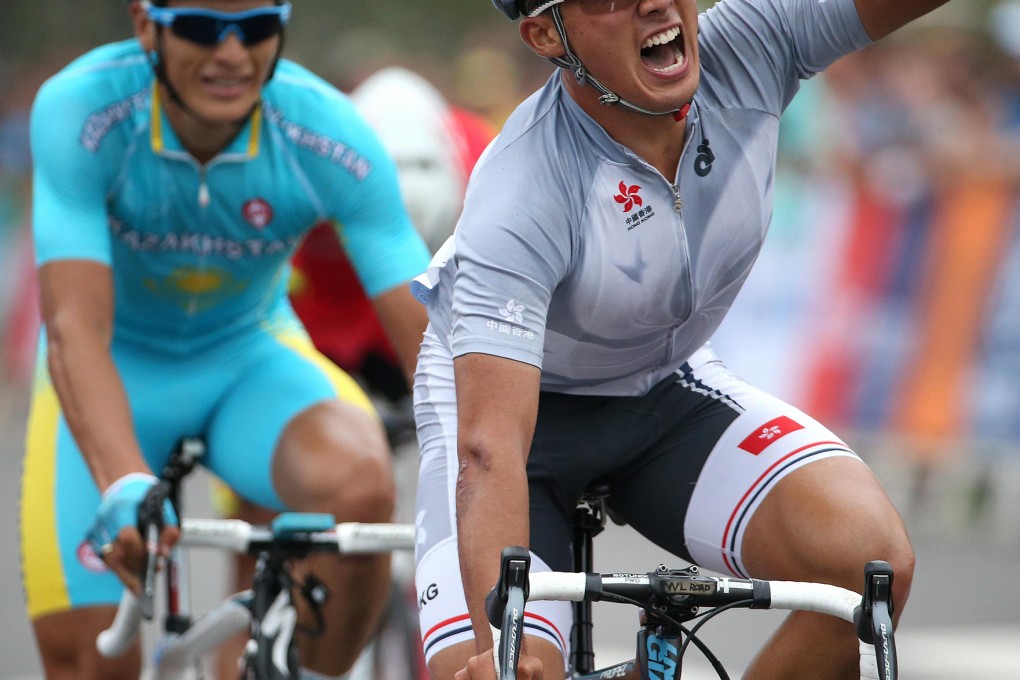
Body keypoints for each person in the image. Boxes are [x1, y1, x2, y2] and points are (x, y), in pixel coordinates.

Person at [411, 1, 953, 678]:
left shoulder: (752, 46)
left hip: (662, 385)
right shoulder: (522, 187)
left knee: (868, 565)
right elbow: (489, 449)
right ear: (547, 34)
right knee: (509, 669)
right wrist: (503, 648)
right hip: (512, 420)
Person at [20, 1, 431, 678]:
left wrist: (489, 465)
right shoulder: (84, 110)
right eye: (202, 27)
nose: (233, 53)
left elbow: (429, 339)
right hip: (115, 364)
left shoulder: (326, 131)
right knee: (91, 662)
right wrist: (122, 479)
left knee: (359, 484)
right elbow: (74, 328)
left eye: (258, 26)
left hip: (248, 361)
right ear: (146, 25)